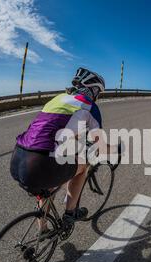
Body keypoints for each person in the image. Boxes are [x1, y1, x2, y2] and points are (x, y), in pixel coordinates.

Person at [10, 68, 105, 223]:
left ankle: (43, 230)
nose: (97, 97)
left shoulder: (58, 98)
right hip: (40, 164)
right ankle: (70, 213)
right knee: (82, 167)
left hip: (18, 158)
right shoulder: (89, 106)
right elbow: (98, 143)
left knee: (49, 186)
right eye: (98, 92)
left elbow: (53, 130)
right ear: (92, 90)